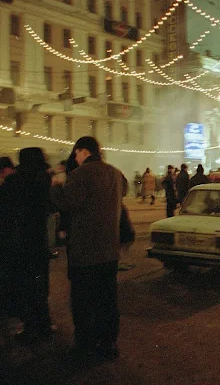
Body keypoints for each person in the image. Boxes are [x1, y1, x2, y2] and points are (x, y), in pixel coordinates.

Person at [50, 137, 127, 360]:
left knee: (83, 302)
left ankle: (85, 346)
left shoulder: (81, 174)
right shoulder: (114, 172)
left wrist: (56, 185)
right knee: (108, 301)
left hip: (85, 251)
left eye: (76, 153)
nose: (75, 157)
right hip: (110, 251)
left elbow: (67, 202)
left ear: (84, 151)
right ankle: (108, 343)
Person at [0, 148, 54, 343]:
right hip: (39, 239)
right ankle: (44, 325)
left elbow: (1, 208)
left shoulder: (14, 181)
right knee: (40, 285)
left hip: (20, 240)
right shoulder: (44, 180)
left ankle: (31, 328)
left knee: (25, 286)